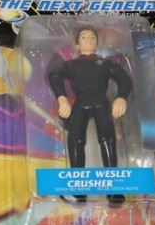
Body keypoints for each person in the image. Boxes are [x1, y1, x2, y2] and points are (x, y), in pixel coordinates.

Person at [46, 28, 133, 174]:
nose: (89, 39)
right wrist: (62, 97)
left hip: (102, 103)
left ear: (97, 43)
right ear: (77, 45)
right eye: (84, 37)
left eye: (93, 37)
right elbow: (54, 75)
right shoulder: (71, 64)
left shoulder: (105, 63)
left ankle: (112, 178)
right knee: (75, 139)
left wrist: (121, 97)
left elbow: (124, 79)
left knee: (108, 139)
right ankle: (77, 178)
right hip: (80, 103)